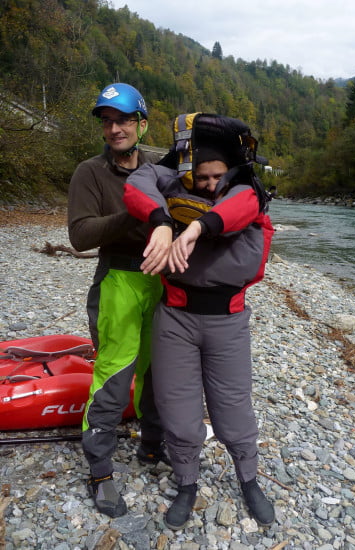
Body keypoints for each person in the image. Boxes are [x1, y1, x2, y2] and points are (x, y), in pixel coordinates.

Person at [123, 114, 275, 530]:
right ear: (189, 170)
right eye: (202, 177)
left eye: (217, 176)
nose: (210, 184)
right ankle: (187, 481)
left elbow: (241, 206)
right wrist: (159, 222)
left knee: (233, 411)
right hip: (176, 319)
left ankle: (249, 479)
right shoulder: (168, 179)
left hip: (227, 322)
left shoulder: (244, 189)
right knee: (179, 411)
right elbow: (135, 185)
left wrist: (193, 229)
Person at [67, 82, 171, 518]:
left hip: (163, 280)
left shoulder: (161, 165)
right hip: (117, 279)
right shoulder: (89, 172)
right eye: (107, 122)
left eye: (124, 120)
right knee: (113, 374)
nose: (114, 129)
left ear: (141, 123)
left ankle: (151, 446)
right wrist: (138, 208)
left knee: (159, 372)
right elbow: (79, 235)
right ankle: (100, 470)